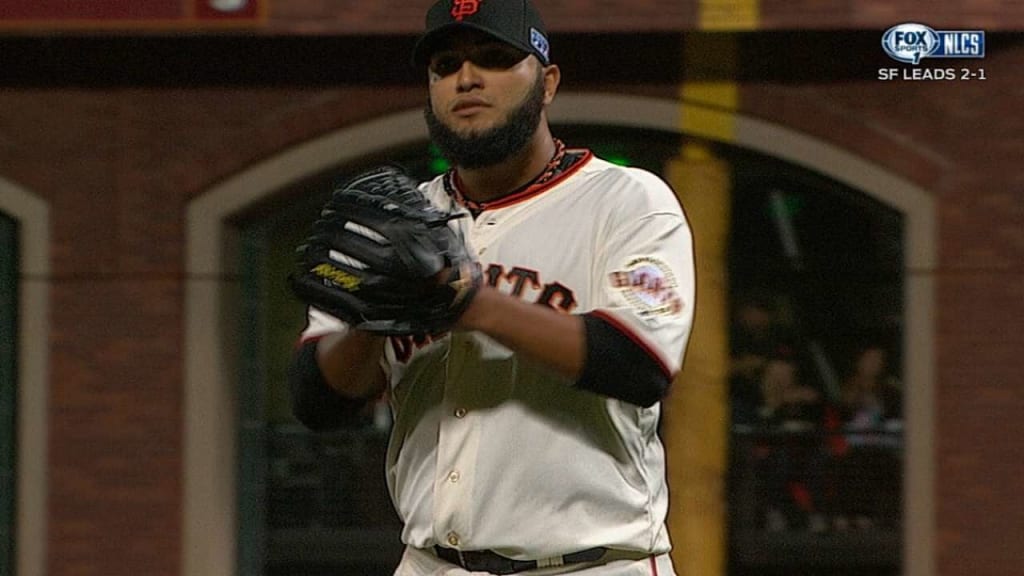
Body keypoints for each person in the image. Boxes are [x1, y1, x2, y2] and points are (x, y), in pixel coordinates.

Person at [287, 1, 696, 575]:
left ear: (547, 82)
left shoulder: (627, 200)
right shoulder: (399, 220)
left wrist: (471, 304)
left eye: (496, 58)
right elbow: (319, 401)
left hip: (591, 564)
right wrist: (369, 317)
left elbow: (637, 365)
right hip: (430, 563)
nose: (467, 77)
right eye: (445, 64)